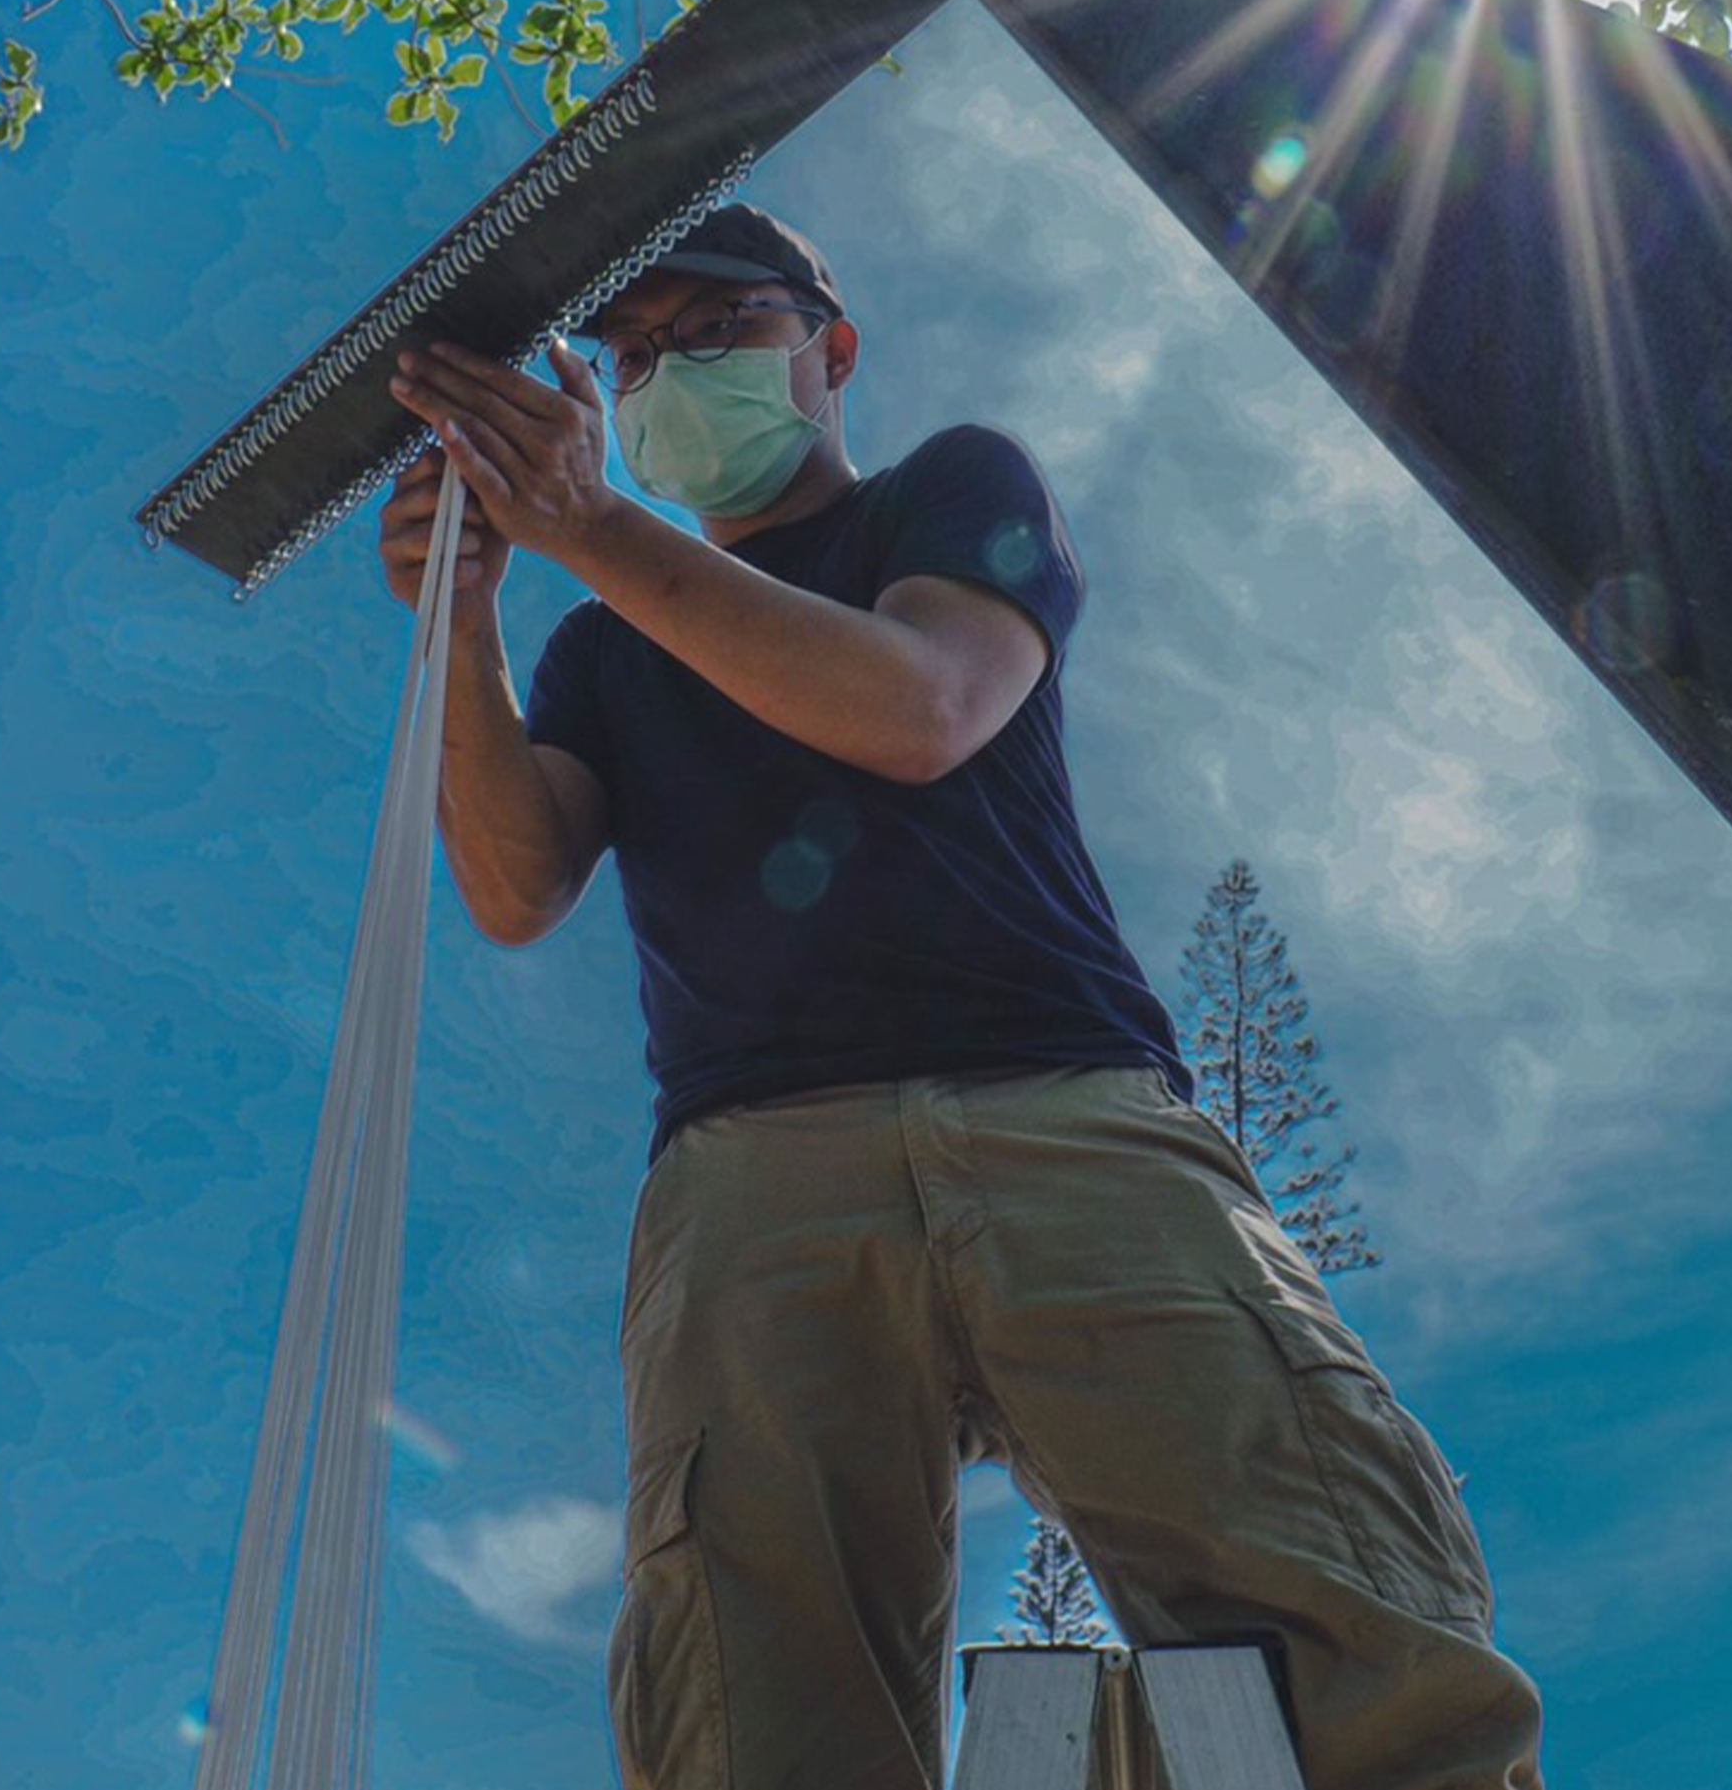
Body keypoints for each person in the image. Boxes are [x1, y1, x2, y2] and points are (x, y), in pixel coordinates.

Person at [380, 203, 1543, 1790]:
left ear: (829, 348)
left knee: (1329, 1604)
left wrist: (587, 527)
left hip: (1066, 1118)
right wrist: (460, 628)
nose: (664, 374)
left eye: (712, 332)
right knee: (753, 1699)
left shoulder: (951, 493)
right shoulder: (600, 650)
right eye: (634, 354)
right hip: (751, 1179)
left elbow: (920, 707)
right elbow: (518, 886)